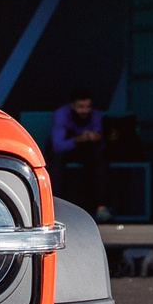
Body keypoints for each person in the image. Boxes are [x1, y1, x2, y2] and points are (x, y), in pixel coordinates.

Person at [50, 88, 109, 218]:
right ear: (72, 105)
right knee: (57, 162)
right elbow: (57, 145)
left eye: (88, 107)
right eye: (81, 107)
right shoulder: (61, 114)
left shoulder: (95, 115)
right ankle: (54, 208)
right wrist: (78, 139)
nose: (85, 111)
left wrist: (94, 139)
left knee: (100, 161)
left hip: (87, 152)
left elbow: (101, 146)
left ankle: (101, 207)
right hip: (65, 151)